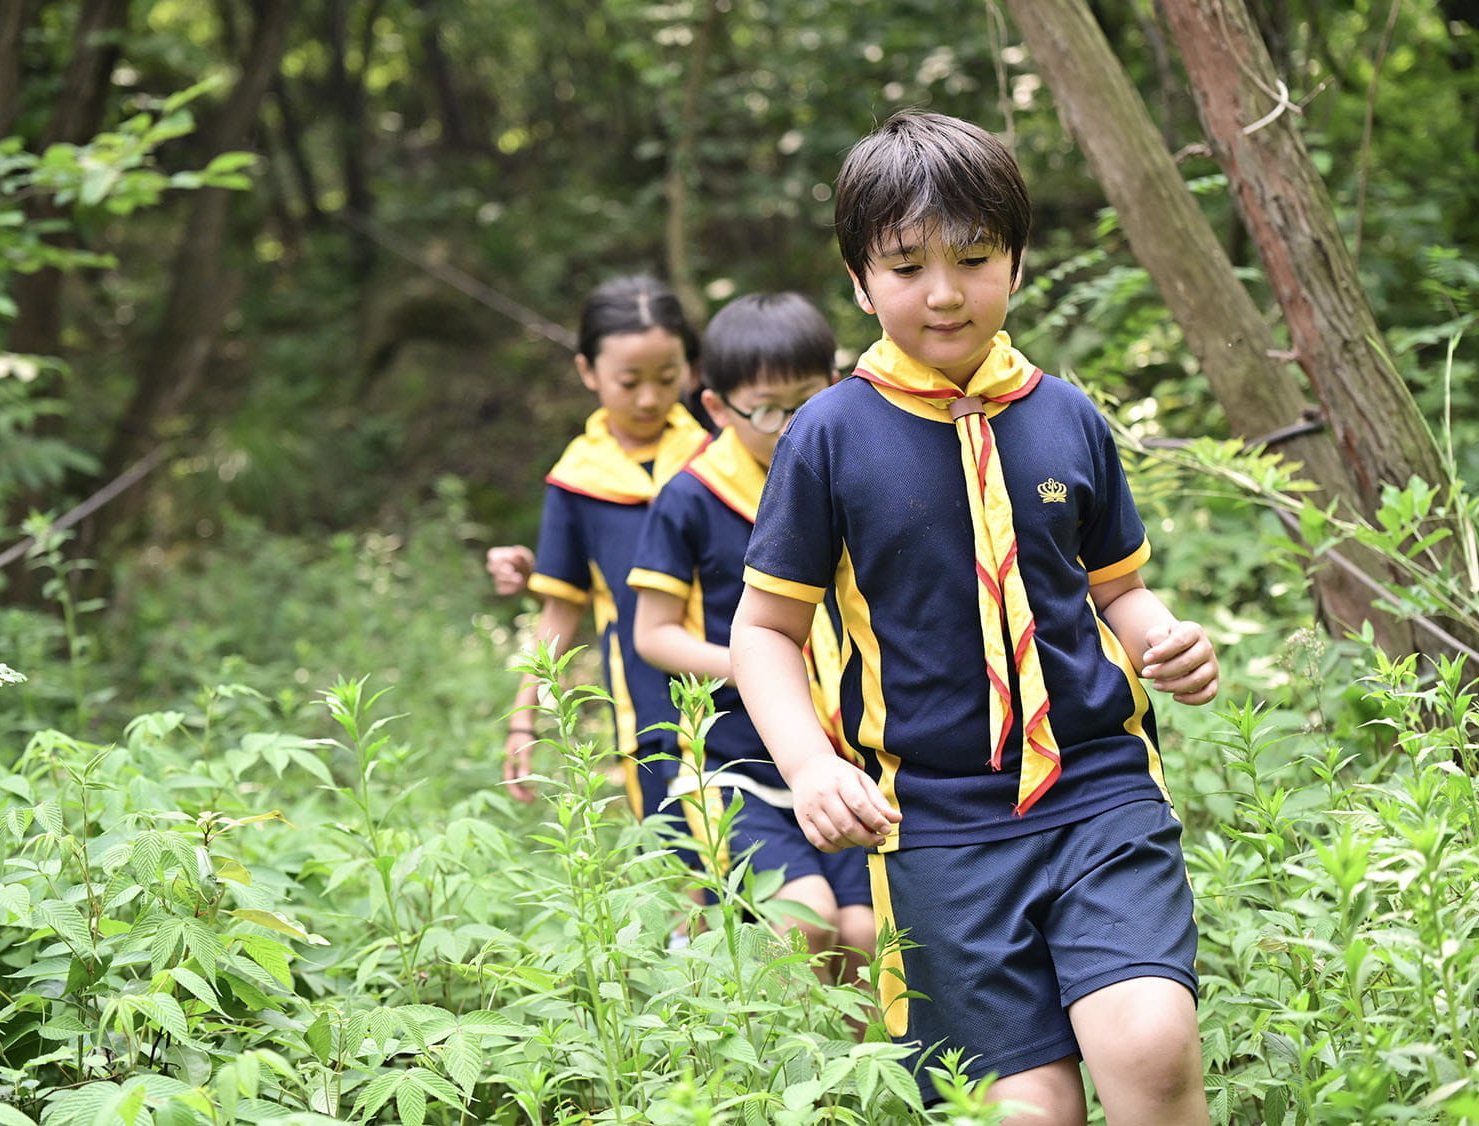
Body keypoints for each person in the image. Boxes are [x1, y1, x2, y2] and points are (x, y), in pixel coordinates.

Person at [728, 111, 1219, 1126]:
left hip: (1095, 788)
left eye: (974, 257)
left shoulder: (1066, 414)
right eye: (905, 266)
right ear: (861, 283)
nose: (943, 291)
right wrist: (813, 766)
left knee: (1151, 1044)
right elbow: (765, 630)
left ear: (1018, 262)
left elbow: (1117, 586)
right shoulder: (827, 435)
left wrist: (1161, 638)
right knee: (1024, 1109)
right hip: (936, 822)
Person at [626, 292, 872, 980]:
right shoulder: (691, 497)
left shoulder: (847, 475)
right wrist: (762, 669)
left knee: (861, 927)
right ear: (716, 407)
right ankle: (782, 1074)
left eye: (806, 400)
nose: (789, 424)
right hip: (737, 764)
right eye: (765, 408)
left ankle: (846, 1086)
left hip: (841, 750)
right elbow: (653, 633)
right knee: (805, 918)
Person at [498, 274, 707, 820]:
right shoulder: (575, 481)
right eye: (628, 381)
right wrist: (525, 717)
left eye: (667, 378)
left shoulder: (719, 452)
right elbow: (561, 609)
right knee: (676, 851)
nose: (649, 398)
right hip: (641, 695)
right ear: (588, 371)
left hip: (736, 677)